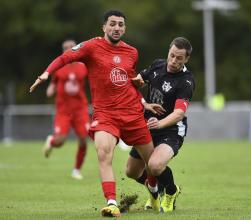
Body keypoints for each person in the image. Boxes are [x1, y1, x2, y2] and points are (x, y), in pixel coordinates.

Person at [30, 10, 162, 218]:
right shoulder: (91, 46)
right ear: (104, 27)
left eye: (120, 24)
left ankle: (154, 192)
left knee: (152, 164)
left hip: (132, 114)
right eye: (112, 24)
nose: (116, 28)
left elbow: (130, 84)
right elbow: (66, 57)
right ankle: (111, 202)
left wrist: (144, 103)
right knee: (103, 152)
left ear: (124, 28)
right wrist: (46, 73)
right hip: (106, 114)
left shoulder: (132, 52)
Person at [126, 37, 195, 213]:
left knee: (155, 166)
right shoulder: (157, 65)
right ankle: (156, 191)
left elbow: (179, 113)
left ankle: (171, 192)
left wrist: (160, 123)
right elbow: (137, 81)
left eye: (179, 58)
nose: (173, 61)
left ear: (186, 59)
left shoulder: (186, 81)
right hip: (148, 126)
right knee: (132, 172)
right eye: (172, 55)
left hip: (171, 130)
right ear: (169, 51)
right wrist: (136, 85)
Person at [43, 39, 90, 180]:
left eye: (71, 47)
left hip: (80, 109)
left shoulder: (84, 66)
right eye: (66, 48)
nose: (69, 49)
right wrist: (50, 90)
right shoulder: (58, 67)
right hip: (63, 110)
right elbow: (53, 83)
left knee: (83, 139)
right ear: (63, 51)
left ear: (76, 48)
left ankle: (76, 170)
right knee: (60, 141)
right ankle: (51, 141)